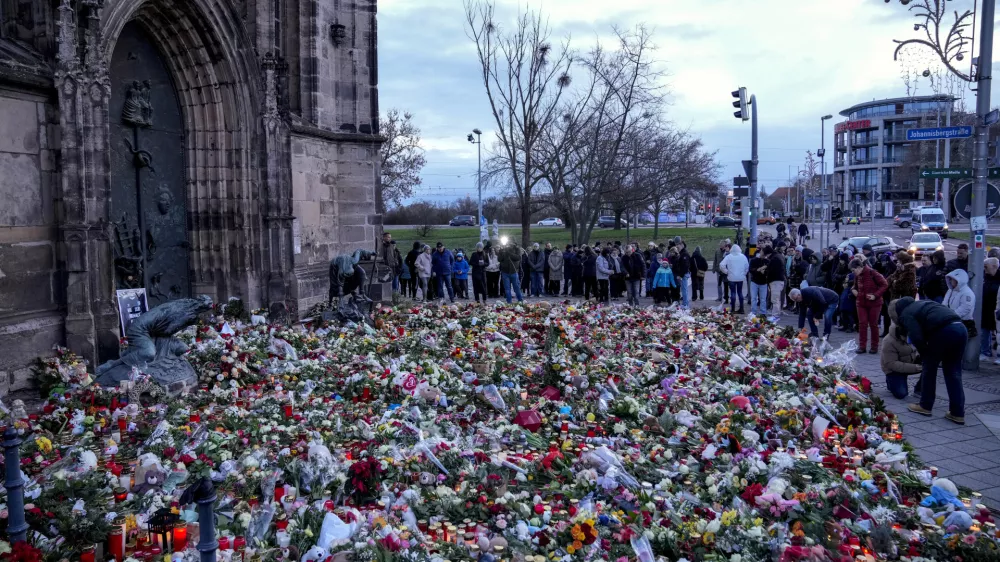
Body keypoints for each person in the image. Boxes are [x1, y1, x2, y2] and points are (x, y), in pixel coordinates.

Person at [895, 297, 968, 425]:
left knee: (929, 368)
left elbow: (916, 335)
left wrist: (924, 354)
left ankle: (925, 405)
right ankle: (957, 413)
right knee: (954, 372)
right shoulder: (926, 304)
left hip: (943, 331)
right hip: (961, 328)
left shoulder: (906, 312)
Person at [881, 307, 923, 399]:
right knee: (901, 394)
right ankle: (891, 381)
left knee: (930, 366)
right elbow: (892, 364)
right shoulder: (888, 341)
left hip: (909, 362)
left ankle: (920, 389)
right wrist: (915, 367)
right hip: (894, 369)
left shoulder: (913, 333)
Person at [851, 257, 887, 354]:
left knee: (873, 324)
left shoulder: (873, 273)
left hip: (874, 303)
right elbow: (854, 286)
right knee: (862, 324)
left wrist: (875, 295)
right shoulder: (857, 276)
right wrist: (854, 290)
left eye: (854, 270)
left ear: (859, 267)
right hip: (861, 302)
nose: (853, 272)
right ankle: (862, 346)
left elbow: (884, 284)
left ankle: (874, 346)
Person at [720, 244, 749, 314]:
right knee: (740, 292)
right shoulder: (743, 257)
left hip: (731, 277)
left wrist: (726, 272)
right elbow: (747, 266)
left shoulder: (729, 257)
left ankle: (733, 309)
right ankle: (741, 308)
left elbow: (721, 265)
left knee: (733, 293)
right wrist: (743, 273)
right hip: (740, 278)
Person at [982, 258, 1000, 360]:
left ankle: (998, 354)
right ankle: (985, 352)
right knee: (984, 330)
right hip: (986, 308)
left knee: (998, 332)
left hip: (996, 308)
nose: (985, 270)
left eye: (986, 267)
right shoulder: (987, 277)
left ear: (994, 266)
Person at [764, 246, 786, 322]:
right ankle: (775, 314)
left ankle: (775, 315)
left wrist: (765, 272)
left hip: (776, 281)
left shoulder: (774, 259)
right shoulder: (777, 256)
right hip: (778, 281)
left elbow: (772, 270)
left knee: (775, 299)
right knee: (776, 298)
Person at [748, 248, 769, 316]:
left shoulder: (767, 261)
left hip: (763, 282)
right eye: (762, 253)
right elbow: (751, 270)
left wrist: (764, 272)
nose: (763, 255)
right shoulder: (754, 260)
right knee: (754, 298)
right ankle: (753, 311)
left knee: (763, 299)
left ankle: (763, 312)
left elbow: (769, 271)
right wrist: (758, 270)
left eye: (764, 254)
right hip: (755, 281)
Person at [673, 238, 692, 308]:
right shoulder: (682, 253)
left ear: (682, 245)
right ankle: (685, 303)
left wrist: (680, 275)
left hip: (684, 274)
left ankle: (685, 304)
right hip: (683, 274)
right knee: (684, 289)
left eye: (678, 246)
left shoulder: (684, 254)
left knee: (684, 290)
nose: (677, 247)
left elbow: (685, 266)